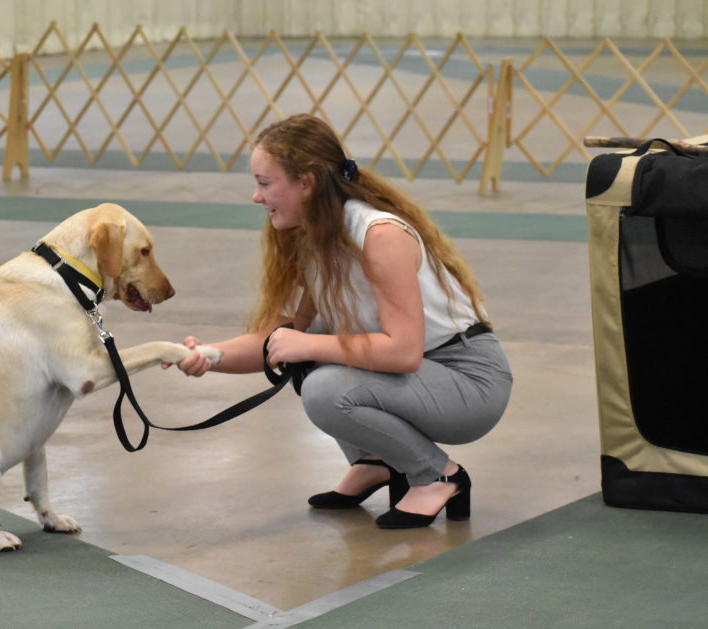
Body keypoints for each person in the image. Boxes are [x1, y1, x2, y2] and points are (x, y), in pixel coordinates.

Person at [171, 114, 513, 529]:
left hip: (469, 382)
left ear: (307, 183)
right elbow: (278, 337)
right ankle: (376, 461)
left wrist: (308, 347)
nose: (256, 197)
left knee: (322, 382)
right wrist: (209, 355)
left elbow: (403, 351)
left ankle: (438, 475)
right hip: (425, 375)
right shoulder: (311, 236)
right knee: (308, 347)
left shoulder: (379, 236)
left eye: (264, 183)